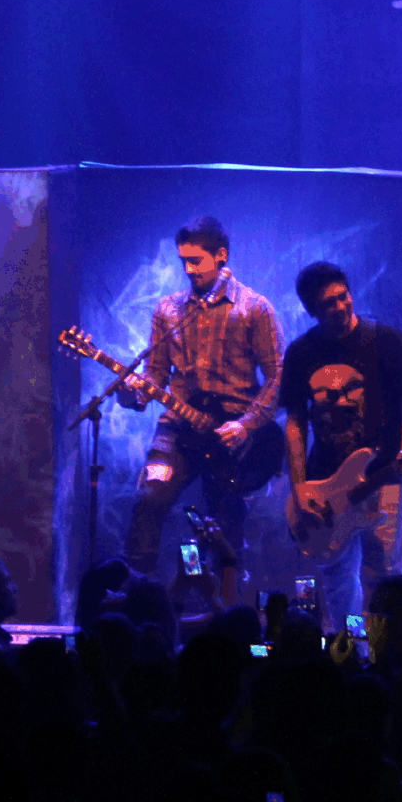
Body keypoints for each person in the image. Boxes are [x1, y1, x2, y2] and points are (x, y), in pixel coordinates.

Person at [119, 216, 285, 592]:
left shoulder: (255, 308)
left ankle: (224, 605)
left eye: (196, 260)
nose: (189, 270)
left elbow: (278, 377)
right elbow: (154, 375)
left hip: (233, 435)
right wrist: (132, 393)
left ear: (221, 255)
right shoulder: (168, 310)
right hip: (178, 427)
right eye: (184, 261)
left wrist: (246, 425)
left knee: (224, 525)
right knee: (149, 500)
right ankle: (136, 598)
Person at [279, 261, 402, 621]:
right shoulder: (301, 353)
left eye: (343, 297)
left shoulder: (387, 342)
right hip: (326, 482)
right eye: (328, 304)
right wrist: (298, 488)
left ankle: (384, 647)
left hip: (385, 476)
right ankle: (350, 645)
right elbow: (295, 421)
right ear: (312, 310)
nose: (340, 307)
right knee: (338, 581)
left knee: (386, 577)